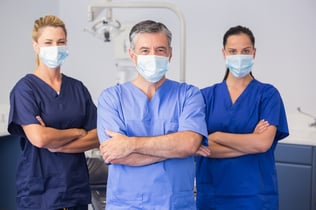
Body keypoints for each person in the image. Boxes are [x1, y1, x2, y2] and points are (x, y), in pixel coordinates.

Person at [97, 20, 210, 209]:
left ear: (170, 54)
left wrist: (130, 144)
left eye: (160, 50)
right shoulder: (111, 98)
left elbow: (189, 144)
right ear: (132, 55)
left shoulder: (189, 94)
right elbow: (115, 155)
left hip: (175, 204)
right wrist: (175, 149)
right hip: (126, 204)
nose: (153, 56)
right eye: (145, 51)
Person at [8, 15, 99, 210]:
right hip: (39, 194)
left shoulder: (77, 88)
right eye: (48, 42)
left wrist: (58, 142)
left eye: (61, 42)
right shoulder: (25, 89)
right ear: (36, 46)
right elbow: (40, 139)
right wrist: (77, 132)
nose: (55, 48)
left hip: (75, 190)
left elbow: (99, 134)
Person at [195, 25, 289, 210]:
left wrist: (216, 136)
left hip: (255, 196)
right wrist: (250, 143)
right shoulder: (205, 97)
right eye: (233, 51)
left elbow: (262, 144)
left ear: (254, 53)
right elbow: (199, 147)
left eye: (245, 51)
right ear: (224, 53)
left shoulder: (268, 95)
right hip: (213, 195)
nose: (239, 56)